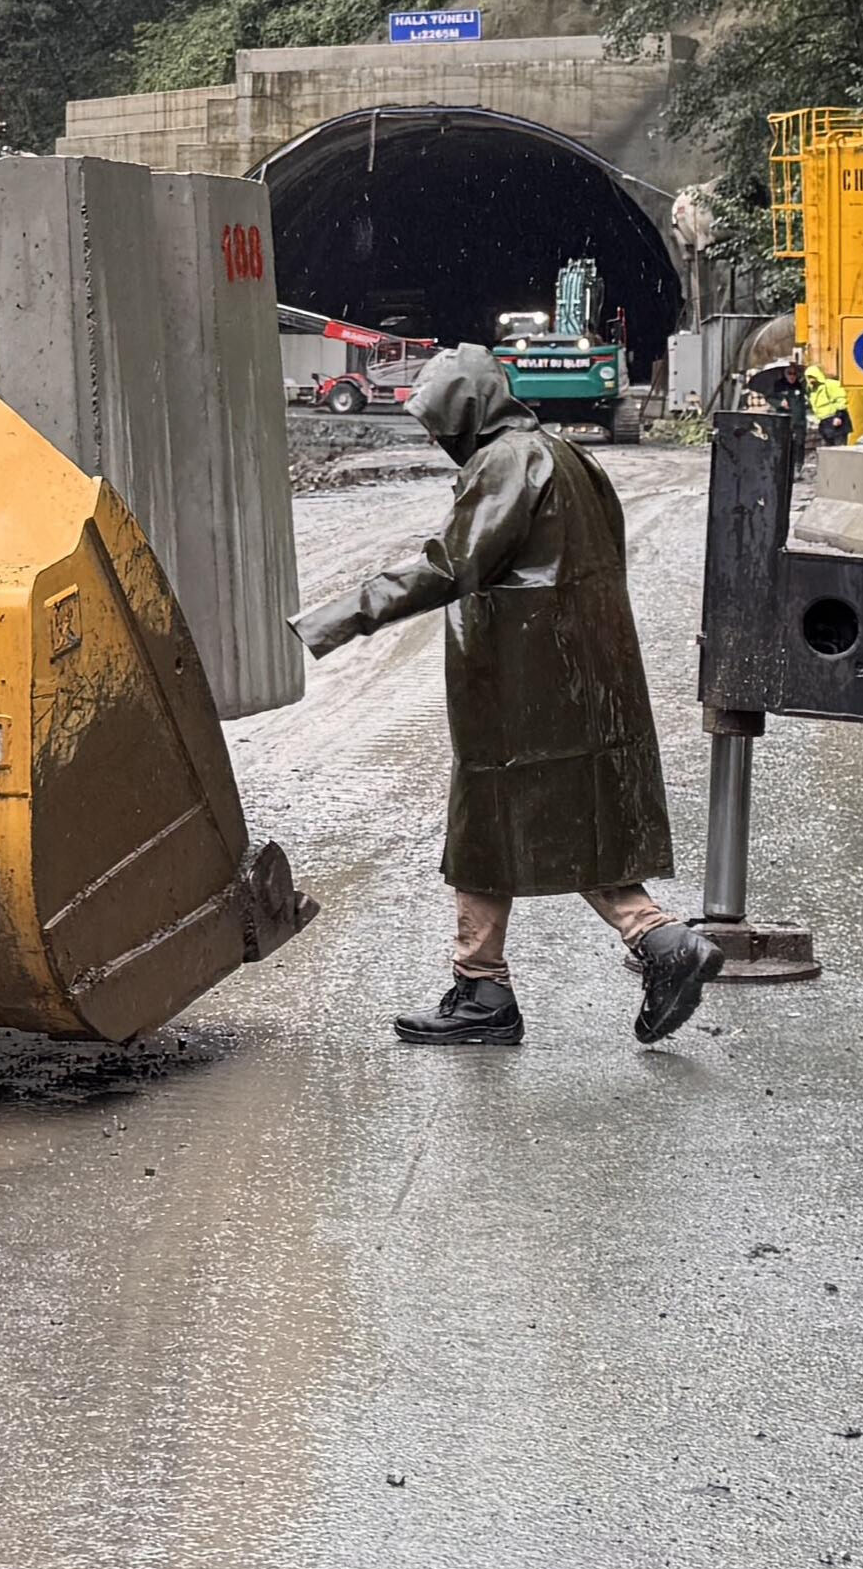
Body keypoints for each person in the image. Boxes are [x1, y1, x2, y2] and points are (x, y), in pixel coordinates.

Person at [292, 346, 720, 1048]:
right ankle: (631, 946)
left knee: (491, 818)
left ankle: (490, 990)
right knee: (548, 819)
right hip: (579, 671)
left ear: (462, 414)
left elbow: (450, 565)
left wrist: (341, 614)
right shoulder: (566, 455)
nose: (435, 437)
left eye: (437, 422)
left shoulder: (505, 462)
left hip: (523, 679)